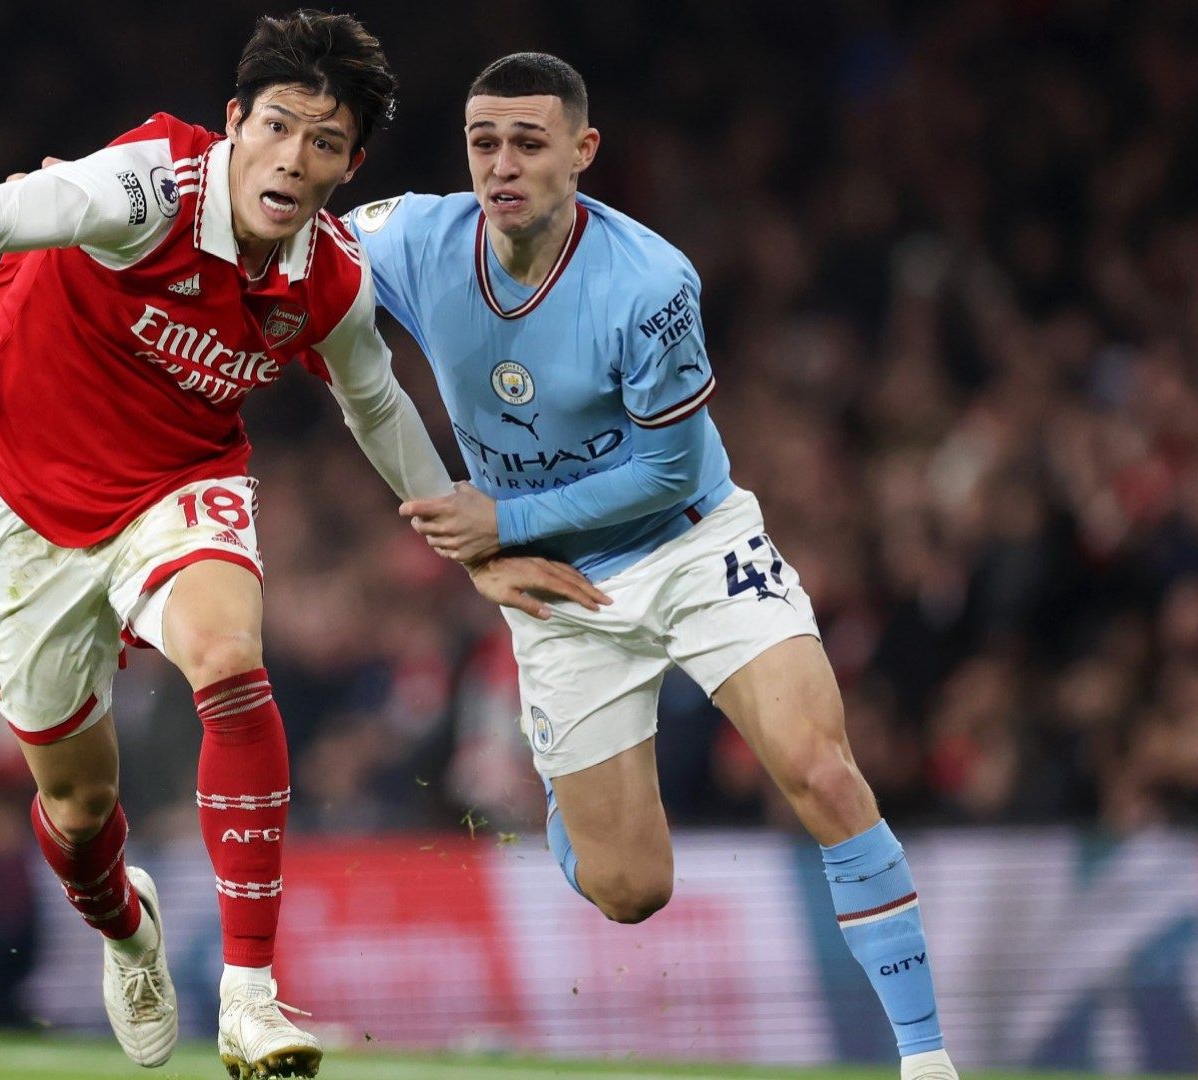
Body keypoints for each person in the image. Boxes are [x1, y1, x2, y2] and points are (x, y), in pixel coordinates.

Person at [0, 12, 600, 1077]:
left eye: (323, 142)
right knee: (77, 812)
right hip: (25, 506)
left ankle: (253, 997)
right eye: (277, 126)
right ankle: (128, 932)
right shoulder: (150, 190)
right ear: (235, 124)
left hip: (181, 483)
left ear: (350, 165)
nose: (292, 157)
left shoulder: (330, 276)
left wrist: (467, 541)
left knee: (228, 658)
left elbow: (375, 404)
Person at [350, 53, 960, 1080]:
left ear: (583, 153)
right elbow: (280, 245)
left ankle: (926, 1056)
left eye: (528, 143)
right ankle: (570, 801)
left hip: (690, 542)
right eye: (483, 142)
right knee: (631, 890)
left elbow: (664, 467)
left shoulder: (650, 282)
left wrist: (501, 518)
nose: (501, 165)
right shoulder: (413, 238)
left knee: (819, 769)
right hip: (557, 589)